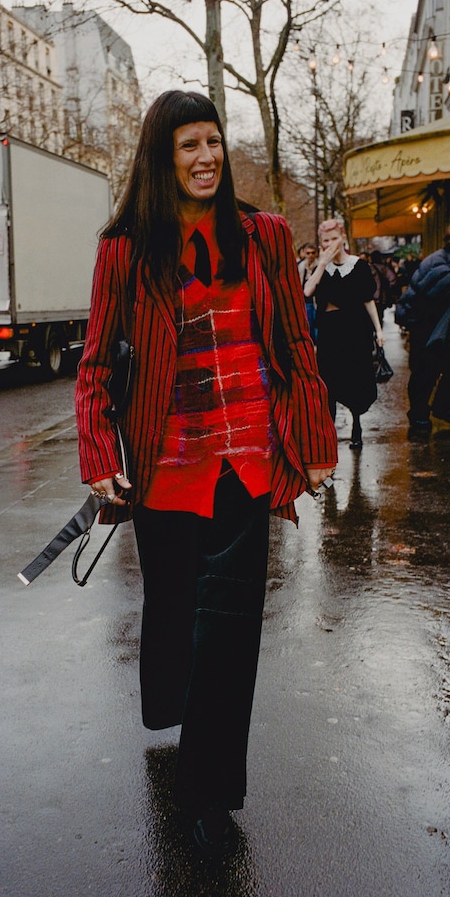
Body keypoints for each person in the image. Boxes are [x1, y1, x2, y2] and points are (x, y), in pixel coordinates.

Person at [75, 90, 337, 856]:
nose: (206, 157)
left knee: (225, 635)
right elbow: (95, 367)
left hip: (245, 468)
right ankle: (169, 708)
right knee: (173, 616)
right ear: (163, 159)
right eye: (188, 145)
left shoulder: (265, 237)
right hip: (163, 471)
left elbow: (295, 345)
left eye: (213, 141)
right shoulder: (126, 249)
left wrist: (313, 440)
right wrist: (100, 456)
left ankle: (209, 796)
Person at [304, 219, 384, 450]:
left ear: (343, 239)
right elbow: (307, 291)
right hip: (331, 330)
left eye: (334, 239)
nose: (330, 244)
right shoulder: (321, 268)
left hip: (356, 328)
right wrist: (322, 263)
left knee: (356, 378)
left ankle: (356, 425)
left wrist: (379, 330)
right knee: (328, 380)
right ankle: (329, 433)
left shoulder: (358, 265)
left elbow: (368, 300)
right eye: (325, 240)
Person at [401, 219, 450, 433]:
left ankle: (431, 412)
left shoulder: (449, 259)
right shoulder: (445, 261)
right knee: (427, 373)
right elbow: (439, 289)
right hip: (429, 329)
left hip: (434, 328)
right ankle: (423, 415)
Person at [297, 242, 318, 340]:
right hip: (305, 301)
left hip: (317, 300)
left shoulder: (319, 266)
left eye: (313, 253)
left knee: (317, 323)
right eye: (308, 253)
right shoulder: (300, 267)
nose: (310, 255)